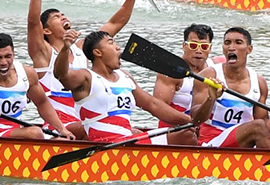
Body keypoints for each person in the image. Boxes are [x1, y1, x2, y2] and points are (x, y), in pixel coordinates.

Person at [28, 0, 145, 138]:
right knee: (122, 132)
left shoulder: (81, 49)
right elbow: (32, 22)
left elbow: (115, 23)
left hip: (86, 123)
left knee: (135, 132)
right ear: (46, 31)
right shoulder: (43, 54)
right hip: (59, 128)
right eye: (56, 17)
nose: (63, 17)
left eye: (63, 15)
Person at [54, 30, 197, 142]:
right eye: (111, 43)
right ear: (97, 52)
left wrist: (190, 121)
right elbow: (61, 75)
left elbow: (153, 105)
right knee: (187, 137)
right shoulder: (86, 77)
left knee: (187, 133)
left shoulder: (125, 77)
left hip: (128, 140)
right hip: (105, 143)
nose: (118, 47)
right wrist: (66, 48)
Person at [189, 27, 270, 148]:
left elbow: (264, 122)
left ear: (249, 49)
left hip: (244, 137)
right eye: (227, 43)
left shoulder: (259, 82)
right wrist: (211, 99)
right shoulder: (208, 76)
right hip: (212, 141)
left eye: (238, 42)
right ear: (223, 48)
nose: (231, 47)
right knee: (257, 126)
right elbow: (196, 120)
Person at [152, 24, 214, 145]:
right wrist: (191, 121)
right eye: (193, 45)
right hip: (176, 132)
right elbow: (158, 107)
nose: (199, 51)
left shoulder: (215, 68)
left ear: (210, 48)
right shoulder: (170, 72)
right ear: (184, 46)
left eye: (204, 47)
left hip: (206, 133)